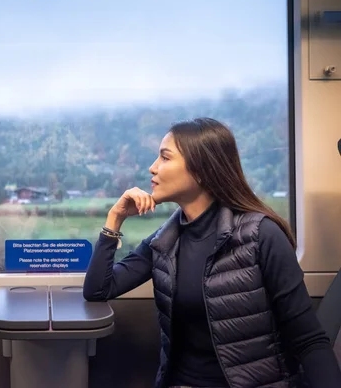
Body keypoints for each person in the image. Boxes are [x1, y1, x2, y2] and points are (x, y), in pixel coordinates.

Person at [83, 117, 341, 388]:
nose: (152, 168)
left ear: (201, 170)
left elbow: (309, 340)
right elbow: (98, 290)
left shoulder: (261, 236)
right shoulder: (165, 241)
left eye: (164, 158)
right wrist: (115, 219)